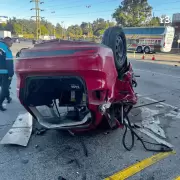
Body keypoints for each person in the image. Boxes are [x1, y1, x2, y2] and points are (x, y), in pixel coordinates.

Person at [0, 37, 14, 111]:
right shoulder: (6, 49)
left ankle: (8, 97)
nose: (12, 44)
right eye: (11, 42)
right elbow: (9, 62)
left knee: (5, 86)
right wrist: (11, 73)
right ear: (7, 41)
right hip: (4, 72)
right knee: (5, 87)